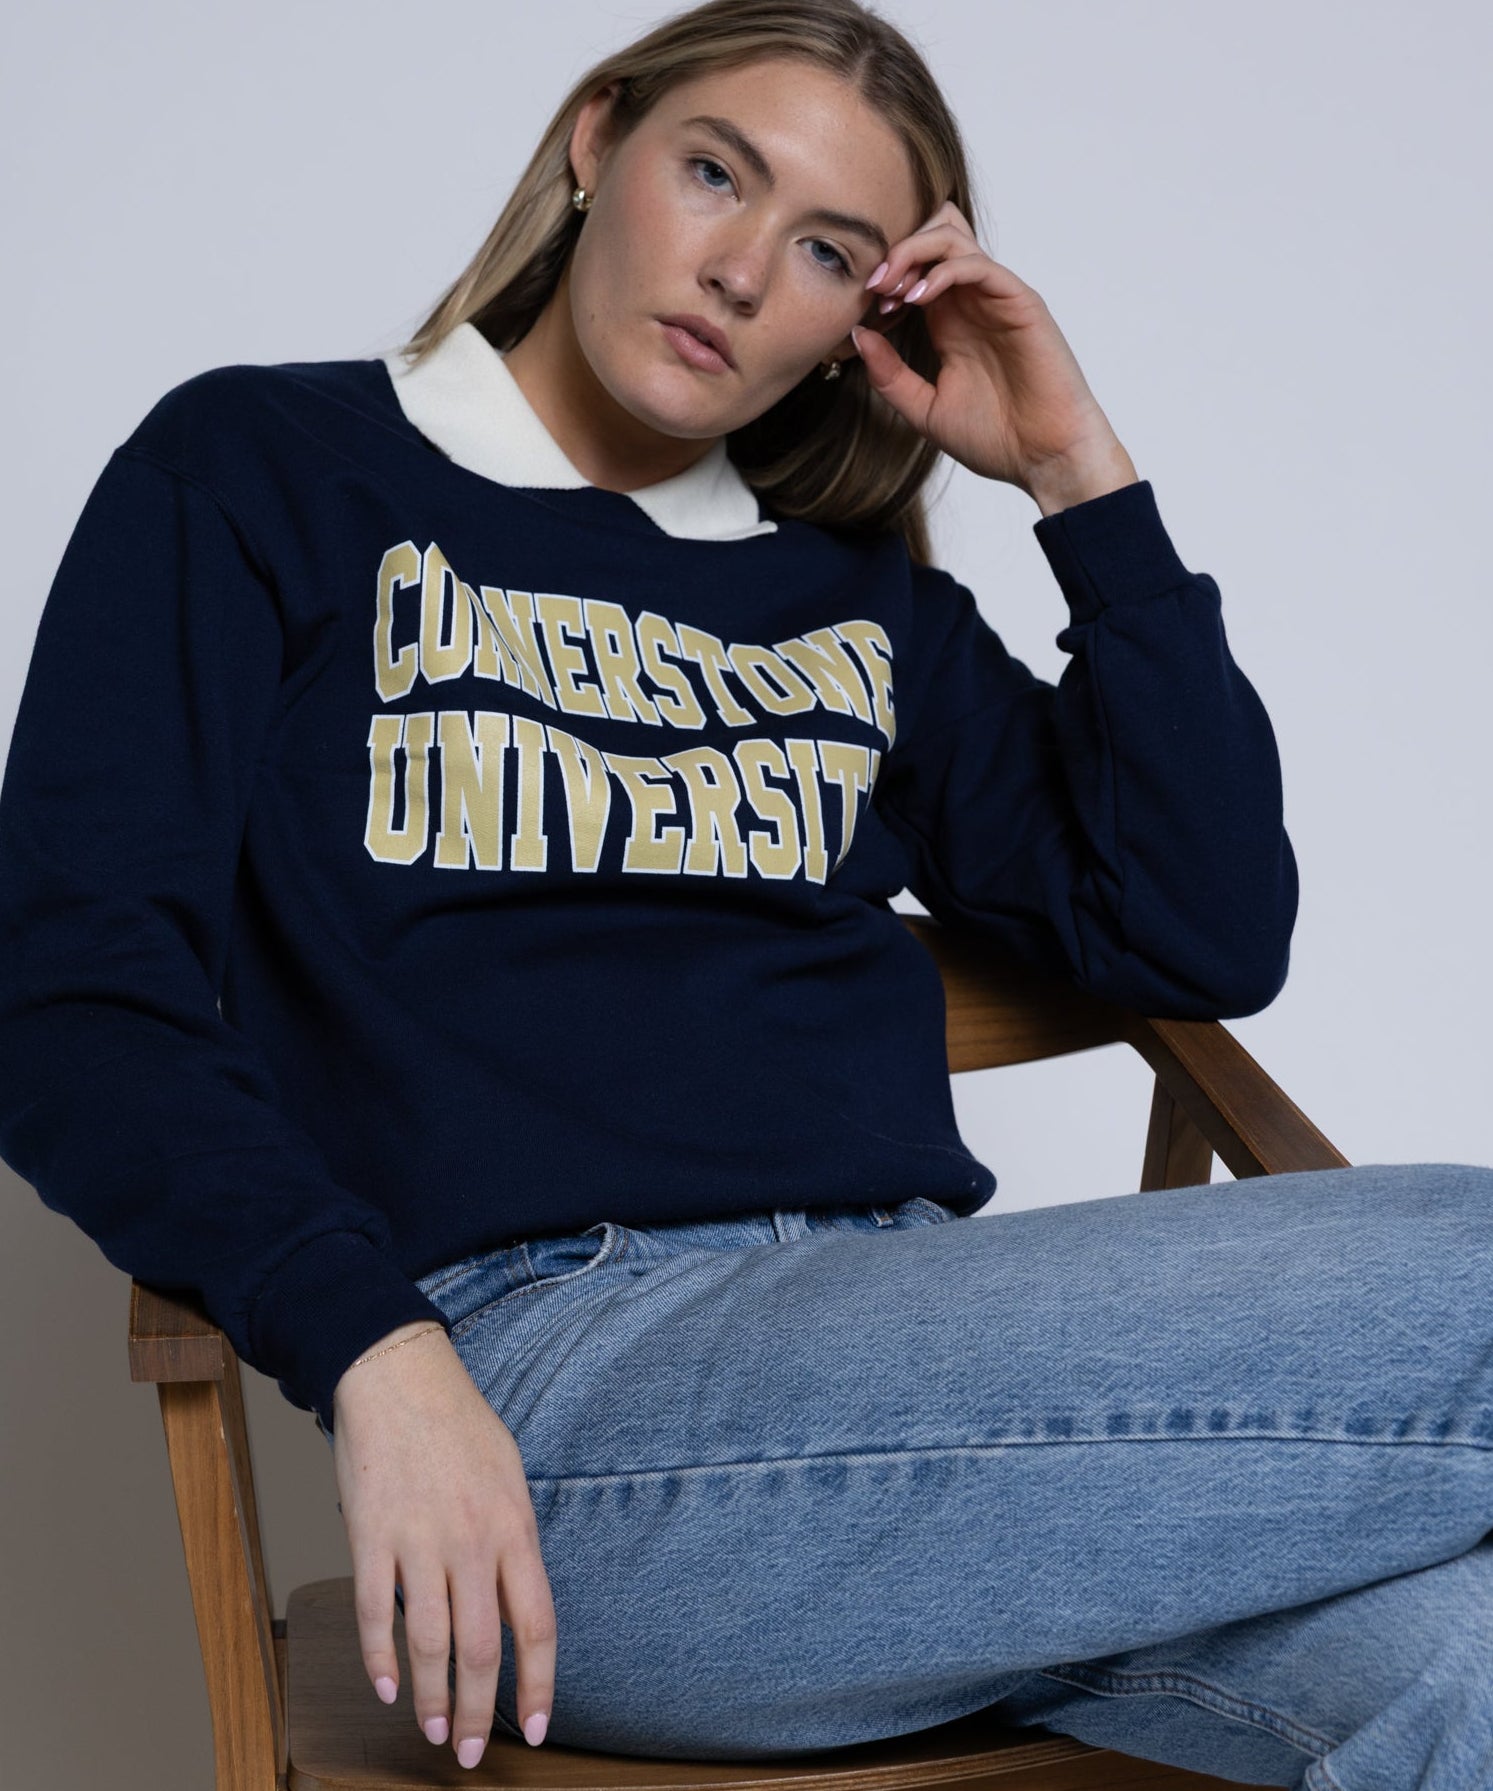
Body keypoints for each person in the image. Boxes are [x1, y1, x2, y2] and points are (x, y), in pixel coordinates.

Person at [2, 0, 1490, 1784]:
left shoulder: (853, 601)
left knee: (1469, 1664)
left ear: (868, 316)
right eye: (715, 174)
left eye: (828, 252)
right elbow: (70, 992)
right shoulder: (266, 471)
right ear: (595, 142)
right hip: (549, 1417)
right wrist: (374, 1347)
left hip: (934, 1388)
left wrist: (1077, 476)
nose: (737, 271)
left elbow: (1199, 930)